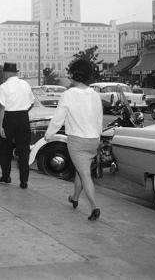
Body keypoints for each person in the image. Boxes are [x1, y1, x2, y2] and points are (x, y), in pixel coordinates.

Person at [44, 59, 103, 221]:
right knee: (80, 171)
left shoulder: (68, 95)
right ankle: (74, 198)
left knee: (84, 174)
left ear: (74, 75)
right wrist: (98, 137)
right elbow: (99, 120)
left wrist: (48, 135)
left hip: (77, 141)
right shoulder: (95, 95)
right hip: (93, 139)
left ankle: (94, 207)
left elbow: (58, 119)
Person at [0, 62, 35, 189]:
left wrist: (1, 126)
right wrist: (23, 112)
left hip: (9, 118)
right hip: (23, 117)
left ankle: (6, 176)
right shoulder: (25, 84)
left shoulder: (3, 86)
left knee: (5, 150)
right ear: (16, 72)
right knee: (24, 151)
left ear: (6, 73)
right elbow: (32, 103)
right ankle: (24, 181)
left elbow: (1, 108)